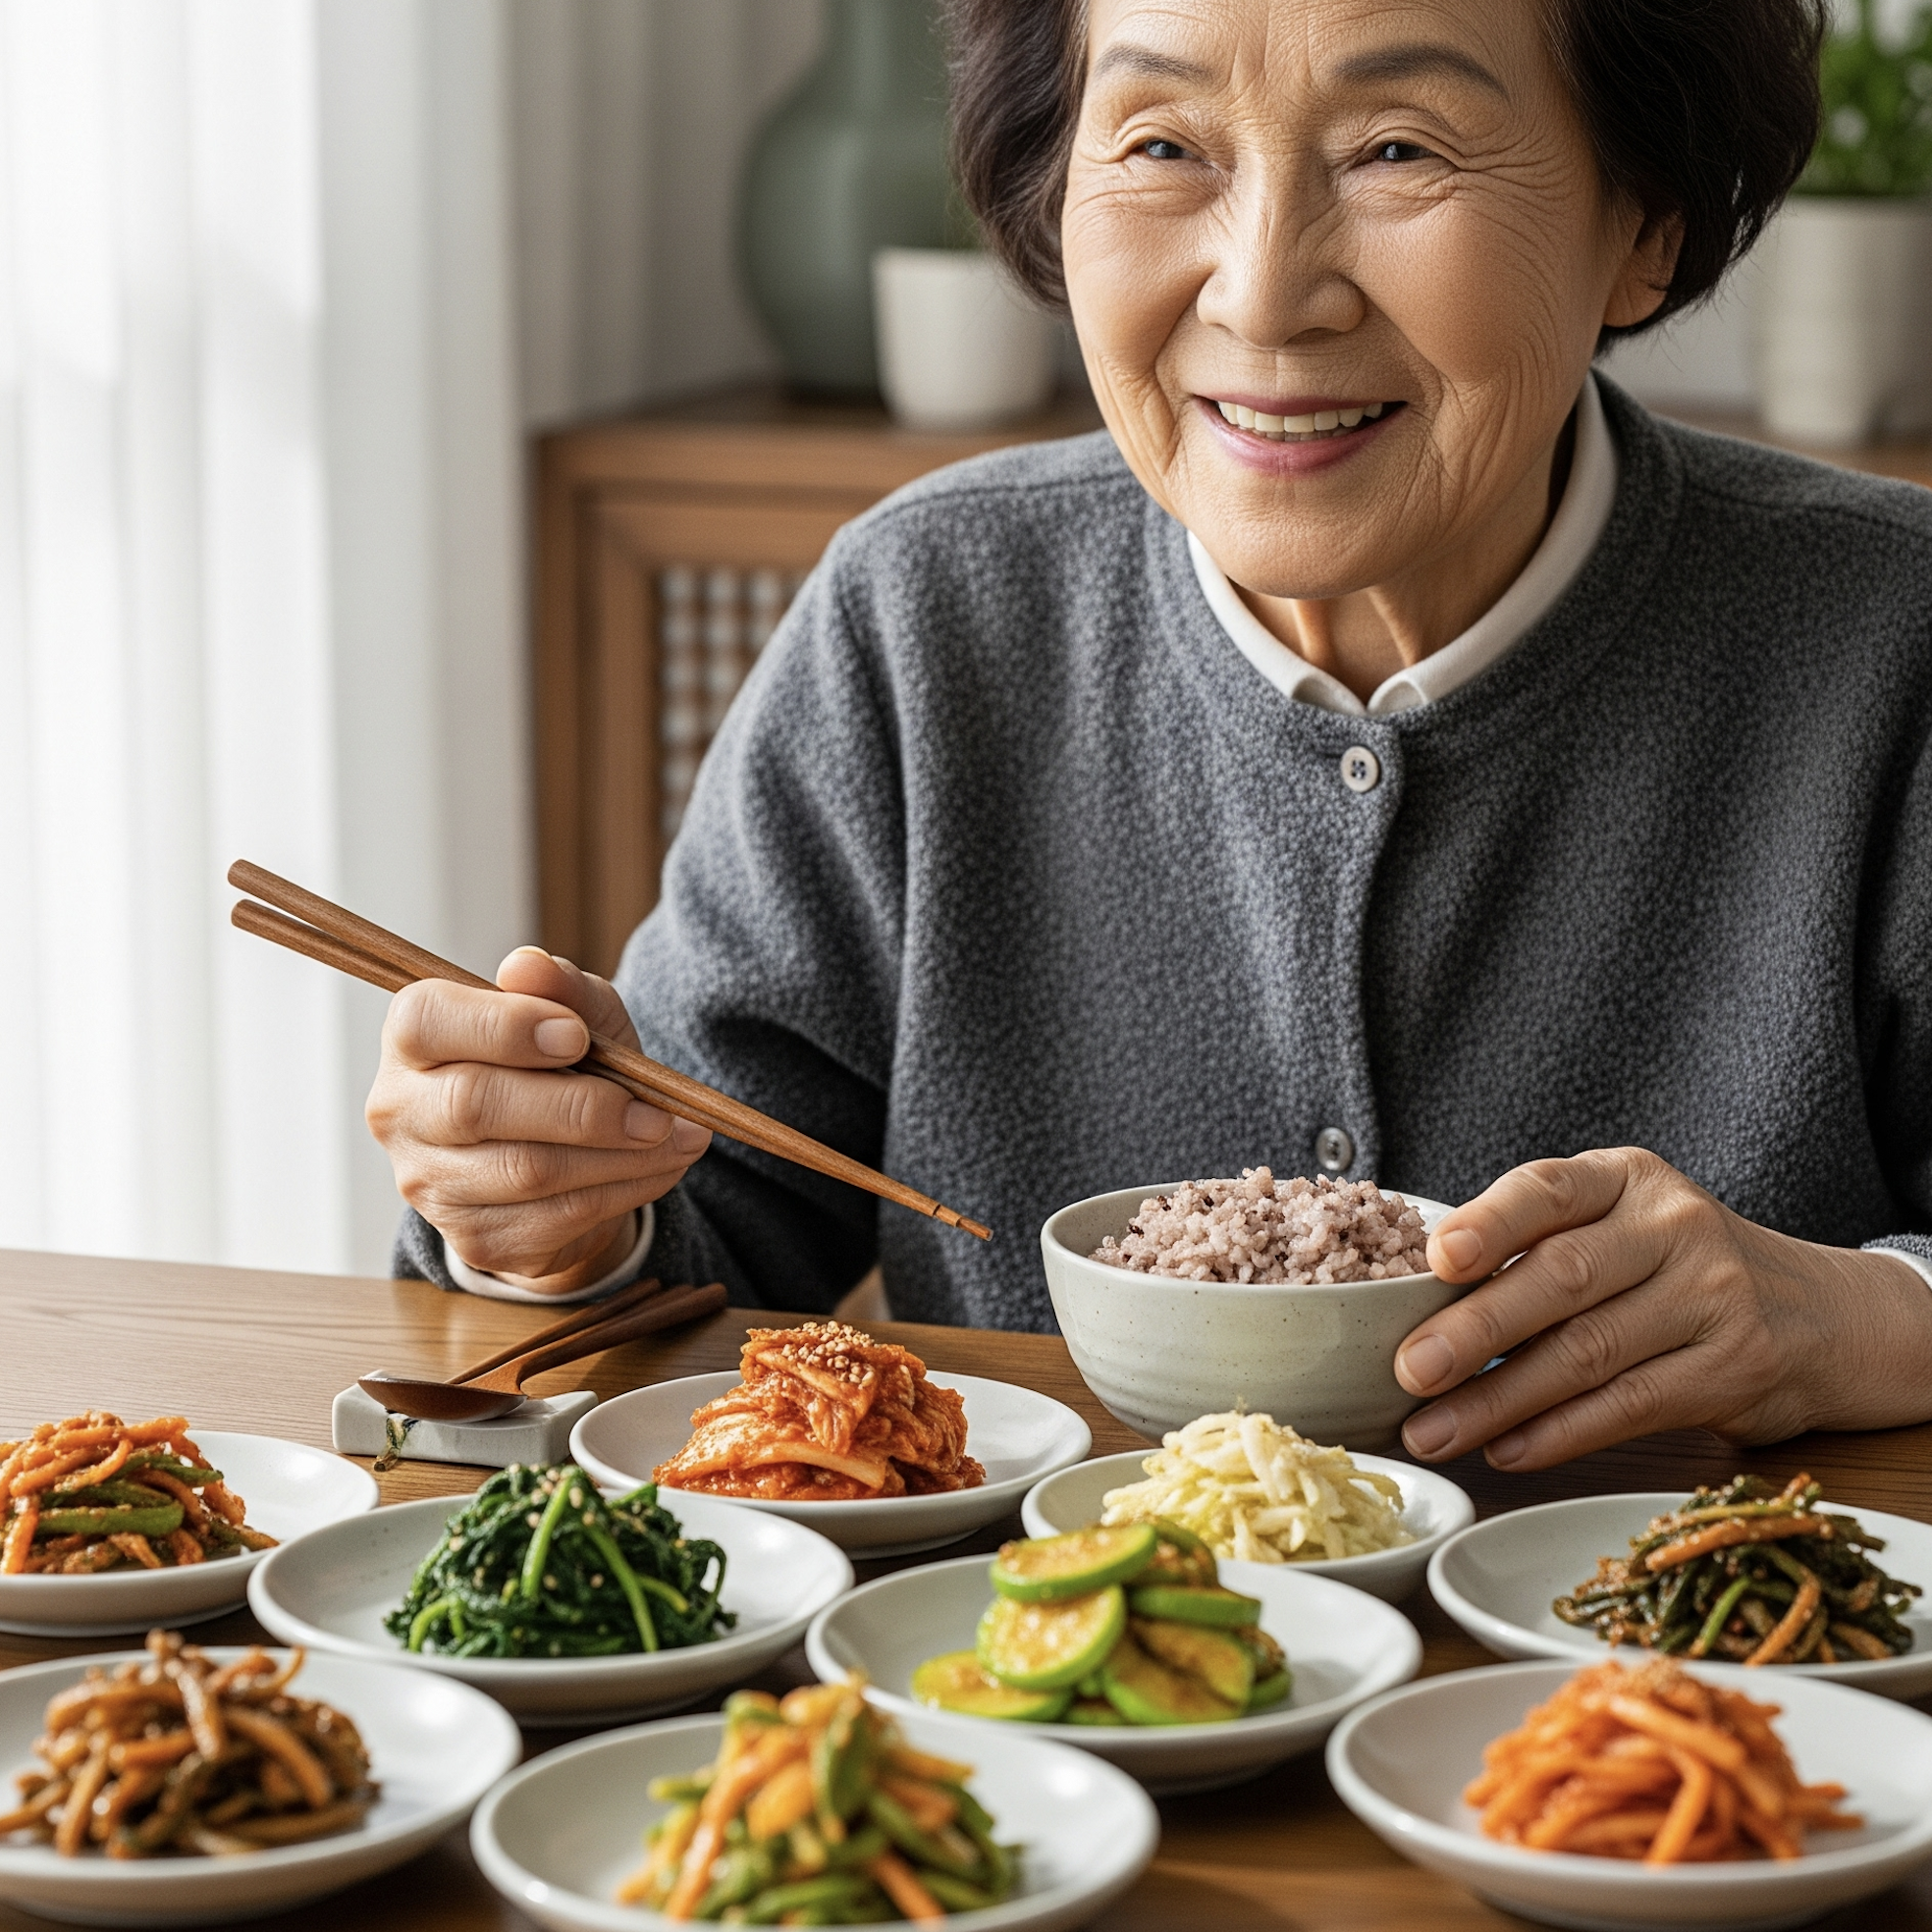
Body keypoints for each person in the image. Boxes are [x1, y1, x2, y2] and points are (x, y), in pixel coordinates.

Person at [369, 0, 1932, 1474]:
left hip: (1697, 1724)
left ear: (1644, 224)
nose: (1262, 291)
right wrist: (553, 1221)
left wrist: (1845, 1322)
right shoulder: (924, 621)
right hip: (1028, 1717)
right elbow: (695, 1244)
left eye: (1396, 149)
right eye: (1164, 147)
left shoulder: (1890, 639)